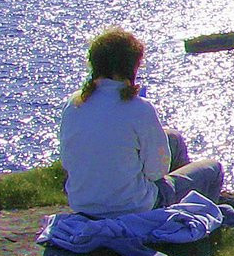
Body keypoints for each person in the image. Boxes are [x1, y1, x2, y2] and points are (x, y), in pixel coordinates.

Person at [59, 28, 224, 216]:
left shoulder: (74, 103)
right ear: (132, 66)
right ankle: (200, 221)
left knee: (173, 138)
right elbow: (156, 173)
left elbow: (67, 159)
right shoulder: (140, 108)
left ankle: (182, 207)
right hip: (132, 206)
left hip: (82, 203)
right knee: (213, 168)